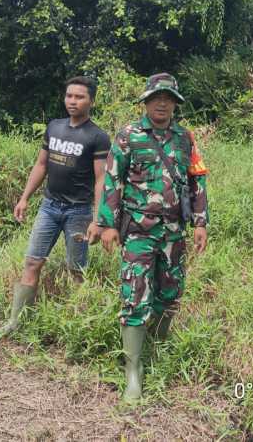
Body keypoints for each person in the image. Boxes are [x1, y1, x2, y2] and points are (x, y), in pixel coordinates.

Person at [97, 72, 209, 402]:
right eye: (155, 98)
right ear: (145, 102)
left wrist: (200, 222)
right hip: (138, 233)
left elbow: (197, 182)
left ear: (175, 104)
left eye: (168, 99)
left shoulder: (185, 139)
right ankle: (134, 371)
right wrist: (108, 224)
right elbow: (113, 181)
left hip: (174, 233)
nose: (161, 103)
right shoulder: (128, 136)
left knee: (171, 292)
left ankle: (157, 347)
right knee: (134, 295)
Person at [0, 76, 111, 338]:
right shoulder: (54, 127)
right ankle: (16, 323)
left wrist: (98, 219)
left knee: (76, 269)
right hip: (49, 208)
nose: (73, 101)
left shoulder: (98, 137)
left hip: (78, 212)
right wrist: (24, 198)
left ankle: (79, 327)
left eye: (79, 97)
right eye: (69, 96)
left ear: (91, 100)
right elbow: (41, 165)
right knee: (32, 262)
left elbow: (102, 179)